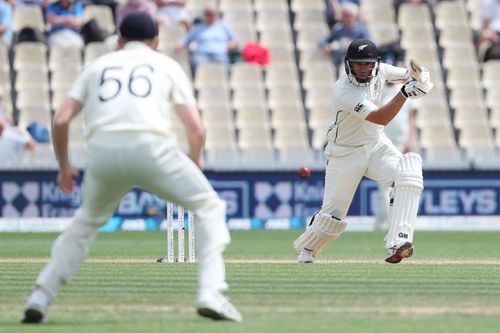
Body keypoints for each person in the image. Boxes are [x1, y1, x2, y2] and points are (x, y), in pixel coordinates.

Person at [21, 12, 242, 324]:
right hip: (152, 148)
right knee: (209, 206)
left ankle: (40, 297)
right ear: (156, 42)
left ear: (120, 40)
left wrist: (64, 167)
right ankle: (211, 292)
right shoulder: (166, 65)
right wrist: (194, 161)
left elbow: (60, 119)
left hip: (102, 153)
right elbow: (196, 130)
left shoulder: (97, 66)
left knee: (83, 226)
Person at [293, 39, 433, 264]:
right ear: (348, 64)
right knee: (331, 218)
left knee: (409, 175)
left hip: (375, 144)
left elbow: (409, 75)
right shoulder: (343, 91)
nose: (363, 69)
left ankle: (399, 242)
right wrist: (405, 93)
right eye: (358, 64)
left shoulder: (382, 71)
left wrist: (421, 77)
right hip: (345, 153)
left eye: (368, 64)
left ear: (375, 64)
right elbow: (381, 117)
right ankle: (307, 248)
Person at [375, 82, 416, 230]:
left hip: (400, 143)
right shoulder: (377, 89)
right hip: (382, 142)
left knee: (399, 184)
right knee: (386, 186)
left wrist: (410, 139)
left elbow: (411, 117)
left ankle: (393, 223)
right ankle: (383, 224)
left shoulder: (404, 89)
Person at [176, 4, 238, 74]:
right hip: (202, 54)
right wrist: (180, 43)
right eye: (208, 14)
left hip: (219, 53)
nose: (210, 16)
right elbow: (186, 38)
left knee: (226, 66)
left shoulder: (224, 26)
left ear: (216, 14)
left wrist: (231, 45)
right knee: (195, 62)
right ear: (204, 15)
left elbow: (235, 39)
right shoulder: (198, 28)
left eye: (212, 14)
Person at [319, 2, 371, 69]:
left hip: (357, 60)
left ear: (354, 16)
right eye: (345, 16)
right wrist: (325, 47)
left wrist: (353, 44)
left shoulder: (362, 29)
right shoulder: (338, 29)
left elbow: (369, 45)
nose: (347, 18)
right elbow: (323, 41)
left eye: (349, 16)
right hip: (339, 59)